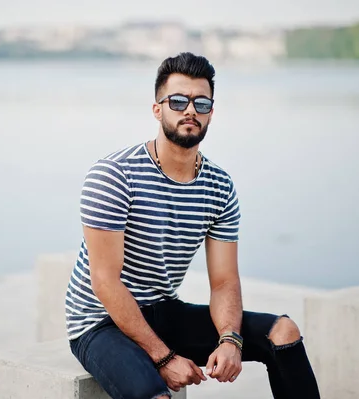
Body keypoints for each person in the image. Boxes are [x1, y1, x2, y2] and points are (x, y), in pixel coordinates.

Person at [65, 52, 321, 399]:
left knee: (283, 331)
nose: (190, 110)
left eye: (201, 103)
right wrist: (164, 357)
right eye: (178, 101)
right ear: (158, 109)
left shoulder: (219, 186)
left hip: (163, 309)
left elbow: (224, 280)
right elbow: (105, 282)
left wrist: (230, 338)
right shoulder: (114, 175)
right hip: (100, 323)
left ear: (211, 113)